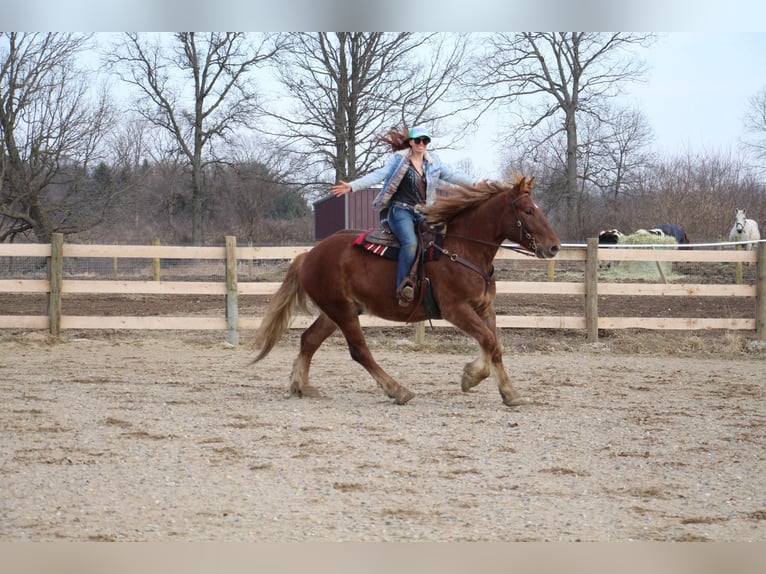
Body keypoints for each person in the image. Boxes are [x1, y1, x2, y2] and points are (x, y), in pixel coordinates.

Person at [331, 125, 480, 306]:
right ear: (410, 142)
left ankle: (435, 284)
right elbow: (378, 175)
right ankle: (403, 287)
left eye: (425, 141)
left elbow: (453, 175)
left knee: (443, 237)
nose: (421, 144)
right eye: (418, 140)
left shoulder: (434, 162)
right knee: (410, 243)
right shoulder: (399, 160)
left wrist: (476, 183)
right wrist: (353, 186)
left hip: (424, 212)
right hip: (401, 211)